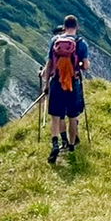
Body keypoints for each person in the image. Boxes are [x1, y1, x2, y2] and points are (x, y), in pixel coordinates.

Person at [41, 14, 90, 163]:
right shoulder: (81, 43)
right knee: (73, 116)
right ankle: (71, 145)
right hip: (72, 84)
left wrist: (46, 84)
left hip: (56, 82)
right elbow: (86, 66)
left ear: (64, 26)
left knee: (56, 116)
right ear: (77, 27)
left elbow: (50, 64)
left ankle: (55, 144)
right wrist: (80, 64)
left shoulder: (55, 41)